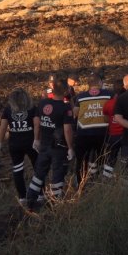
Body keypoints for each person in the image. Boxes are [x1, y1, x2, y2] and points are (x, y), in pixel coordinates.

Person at [26, 79, 75, 210]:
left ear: (52, 89)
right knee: (57, 174)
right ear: (65, 91)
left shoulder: (42, 103)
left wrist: (36, 139)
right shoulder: (65, 108)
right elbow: (67, 129)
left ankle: (30, 200)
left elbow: (37, 123)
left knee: (39, 174)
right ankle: (55, 204)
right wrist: (70, 148)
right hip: (59, 148)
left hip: (44, 145)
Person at [0, 88, 39, 205]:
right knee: (37, 168)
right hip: (31, 143)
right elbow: (36, 125)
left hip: (15, 144)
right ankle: (40, 194)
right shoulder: (32, 108)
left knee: (18, 170)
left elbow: (3, 128)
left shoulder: (8, 110)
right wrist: (37, 140)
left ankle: (22, 197)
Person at [73, 73, 112, 186]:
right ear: (100, 82)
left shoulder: (80, 96)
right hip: (103, 133)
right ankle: (100, 180)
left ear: (88, 84)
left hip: (84, 133)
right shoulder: (109, 94)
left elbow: (75, 113)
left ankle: (81, 182)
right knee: (102, 158)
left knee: (81, 160)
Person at [101, 79, 125, 179]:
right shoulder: (127, 102)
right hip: (126, 134)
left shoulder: (108, 103)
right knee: (126, 157)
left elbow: (106, 118)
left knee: (111, 156)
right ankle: (126, 177)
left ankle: (106, 176)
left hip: (113, 134)